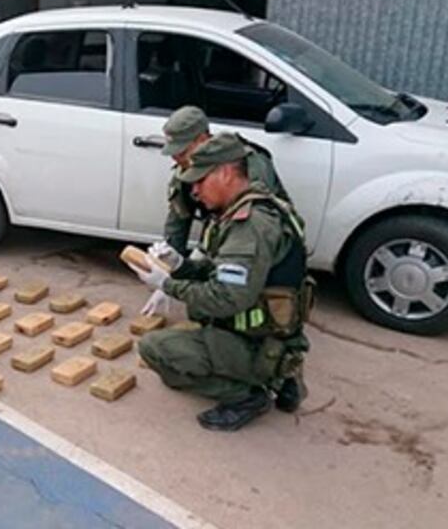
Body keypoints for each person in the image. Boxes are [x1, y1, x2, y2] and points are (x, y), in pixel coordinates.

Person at [128, 133, 313, 432]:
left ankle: (249, 394)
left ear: (226, 173)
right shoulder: (255, 207)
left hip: (258, 342)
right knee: (196, 312)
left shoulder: (249, 225)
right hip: (270, 334)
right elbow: (224, 272)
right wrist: (181, 265)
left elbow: (227, 298)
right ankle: (281, 376)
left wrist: (168, 285)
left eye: (201, 181)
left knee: (155, 349)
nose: (195, 191)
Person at [146, 105, 291, 317]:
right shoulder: (185, 170)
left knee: (228, 298)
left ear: (202, 139)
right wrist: (168, 268)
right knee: (200, 300)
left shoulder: (246, 163)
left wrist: (173, 284)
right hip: (223, 233)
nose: (176, 157)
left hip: (261, 245)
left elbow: (254, 221)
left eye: (182, 150)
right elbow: (178, 221)